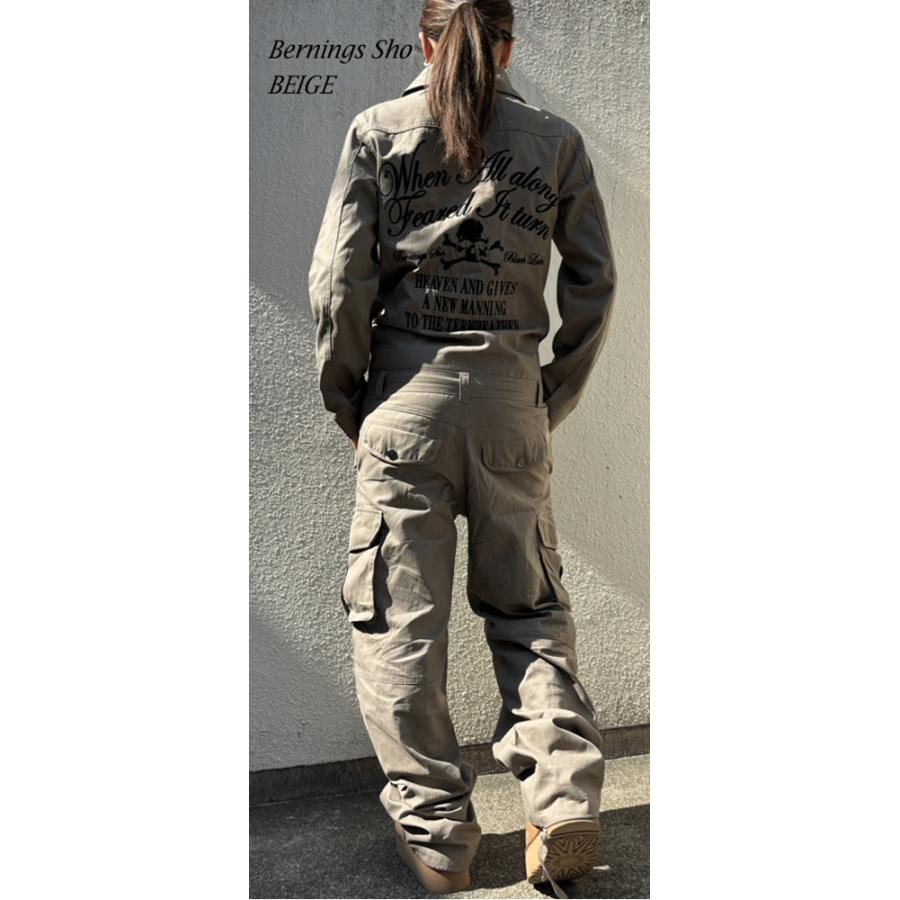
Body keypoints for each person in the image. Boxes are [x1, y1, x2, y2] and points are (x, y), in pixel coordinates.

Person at [307, 0, 616, 895]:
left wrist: (350, 397)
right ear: (508, 46)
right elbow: (594, 283)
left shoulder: (378, 131)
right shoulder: (554, 141)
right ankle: (561, 800)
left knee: (400, 624)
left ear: (425, 39)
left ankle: (439, 835)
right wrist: (546, 395)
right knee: (528, 611)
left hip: (405, 408)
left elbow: (339, 284)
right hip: (512, 406)